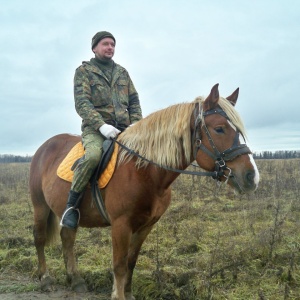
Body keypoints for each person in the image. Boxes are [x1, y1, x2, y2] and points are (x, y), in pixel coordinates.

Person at [60, 31, 143, 229]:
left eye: (113, 45)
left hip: (126, 128)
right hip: (95, 129)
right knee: (93, 157)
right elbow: (82, 103)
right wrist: (102, 126)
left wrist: (136, 123)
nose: (110, 48)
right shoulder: (84, 71)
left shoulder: (122, 73)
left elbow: (134, 100)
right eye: (105, 44)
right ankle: (71, 207)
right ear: (95, 48)